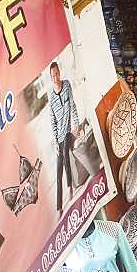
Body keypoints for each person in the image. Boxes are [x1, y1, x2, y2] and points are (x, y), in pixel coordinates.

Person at [49, 62, 79, 212]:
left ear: (60, 72)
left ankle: (70, 188)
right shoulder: (50, 95)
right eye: (53, 76)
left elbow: (72, 106)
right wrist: (55, 142)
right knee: (58, 168)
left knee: (66, 158)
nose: (55, 77)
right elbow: (52, 119)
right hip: (58, 136)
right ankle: (59, 206)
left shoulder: (66, 85)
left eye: (57, 74)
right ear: (50, 77)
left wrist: (76, 124)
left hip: (67, 131)